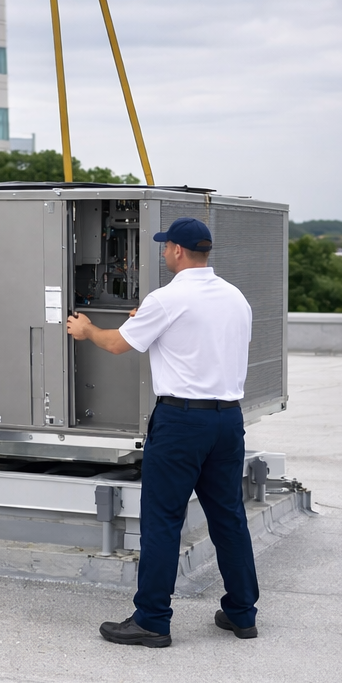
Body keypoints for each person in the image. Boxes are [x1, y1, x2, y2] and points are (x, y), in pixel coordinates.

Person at [67, 216, 258, 648]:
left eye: (165, 246)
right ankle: (242, 613)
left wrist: (86, 329)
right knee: (228, 517)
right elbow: (203, 342)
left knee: (163, 520)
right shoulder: (235, 297)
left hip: (181, 423)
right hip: (228, 421)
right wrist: (150, 322)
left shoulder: (167, 298)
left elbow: (117, 344)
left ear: (176, 250)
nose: (163, 252)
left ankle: (152, 620)